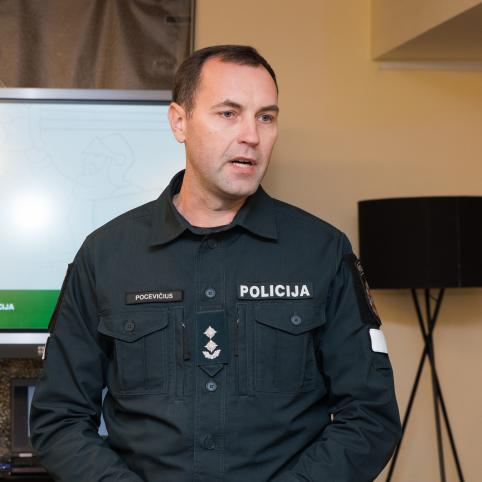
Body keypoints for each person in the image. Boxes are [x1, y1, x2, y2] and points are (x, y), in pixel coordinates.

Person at [30, 45, 401, 482]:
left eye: (266, 117)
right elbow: (59, 419)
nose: (252, 135)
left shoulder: (323, 252)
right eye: (229, 113)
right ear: (179, 122)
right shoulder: (105, 254)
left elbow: (370, 418)